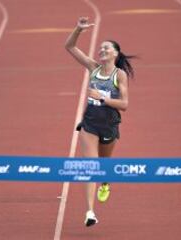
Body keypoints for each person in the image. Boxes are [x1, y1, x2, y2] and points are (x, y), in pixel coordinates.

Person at [65, 17, 135, 227]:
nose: (102, 50)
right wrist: (78, 29)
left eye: (106, 48)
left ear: (115, 53)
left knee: (104, 165)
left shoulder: (119, 75)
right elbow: (69, 46)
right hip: (90, 124)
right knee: (89, 167)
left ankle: (105, 182)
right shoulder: (93, 67)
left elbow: (124, 105)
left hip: (109, 125)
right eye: (100, 48)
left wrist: (102, 98)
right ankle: (89, 212)